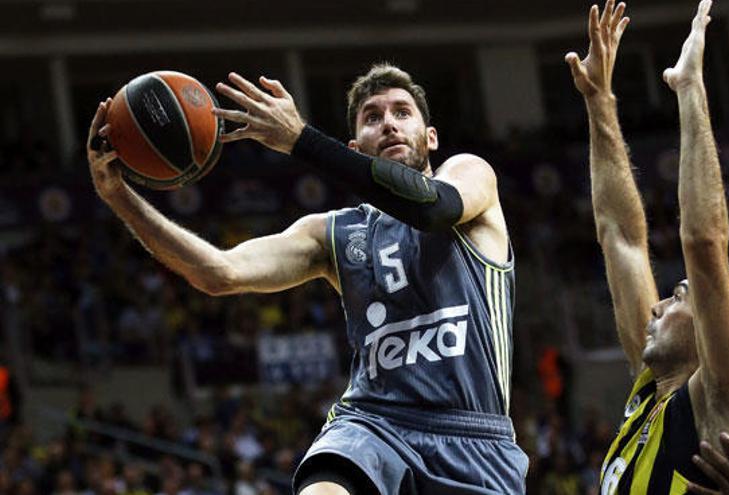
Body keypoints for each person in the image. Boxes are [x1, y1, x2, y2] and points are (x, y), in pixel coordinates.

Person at [87, 63, 526, 494]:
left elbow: (433, 208)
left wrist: (301, 139)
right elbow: (218, 272)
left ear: (431, 138)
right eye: (373, 117)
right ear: (354, 148)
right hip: (374, 426)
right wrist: (119, 197)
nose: (389, 124)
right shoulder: (330, 233)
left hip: (475, 438)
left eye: (401, 112)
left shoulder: (470, 176)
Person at [565, 0, 729, 493]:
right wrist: (599, 101)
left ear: (718, 323)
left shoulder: (724, 400)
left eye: (680, 295)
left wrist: (690, 89)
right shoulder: (651, 394)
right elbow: (619, 235)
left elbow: (705, 243)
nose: (658, 304)